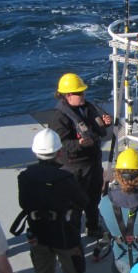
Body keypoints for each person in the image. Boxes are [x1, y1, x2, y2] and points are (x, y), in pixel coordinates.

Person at [16, 129, 104, 273]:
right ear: (58, 153)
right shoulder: (65, 178)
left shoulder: (24, 177)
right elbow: (83, 201)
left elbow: (24, 203)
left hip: (38, 234)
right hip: (65, 236)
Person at [51, 72, 112, 238]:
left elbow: (100, 130)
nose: (83, 95)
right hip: (75, 168)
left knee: (93, 200)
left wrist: (105, 123)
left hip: (93, 164)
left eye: (83, 92)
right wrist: (78, 144)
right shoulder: (60, 118)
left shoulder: (89, 108)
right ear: (68, 95)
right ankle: (72, 236)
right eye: (79, 93)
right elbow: (60, 145)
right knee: (75, 204)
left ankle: (93, 227)